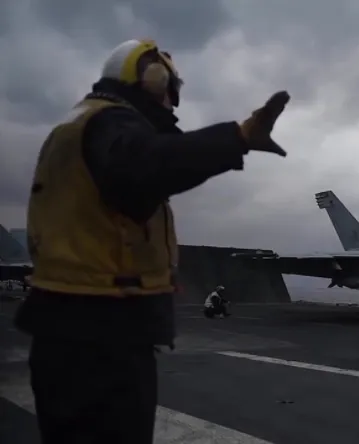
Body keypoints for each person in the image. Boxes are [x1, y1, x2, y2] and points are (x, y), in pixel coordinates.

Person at [13, 38, 291, 444]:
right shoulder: (108, 123)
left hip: (76, 327)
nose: (173, 106)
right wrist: (238, 137)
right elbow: (146, 165)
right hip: (98, 335)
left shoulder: (80, 127)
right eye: (170, 91)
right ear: (152, 79)